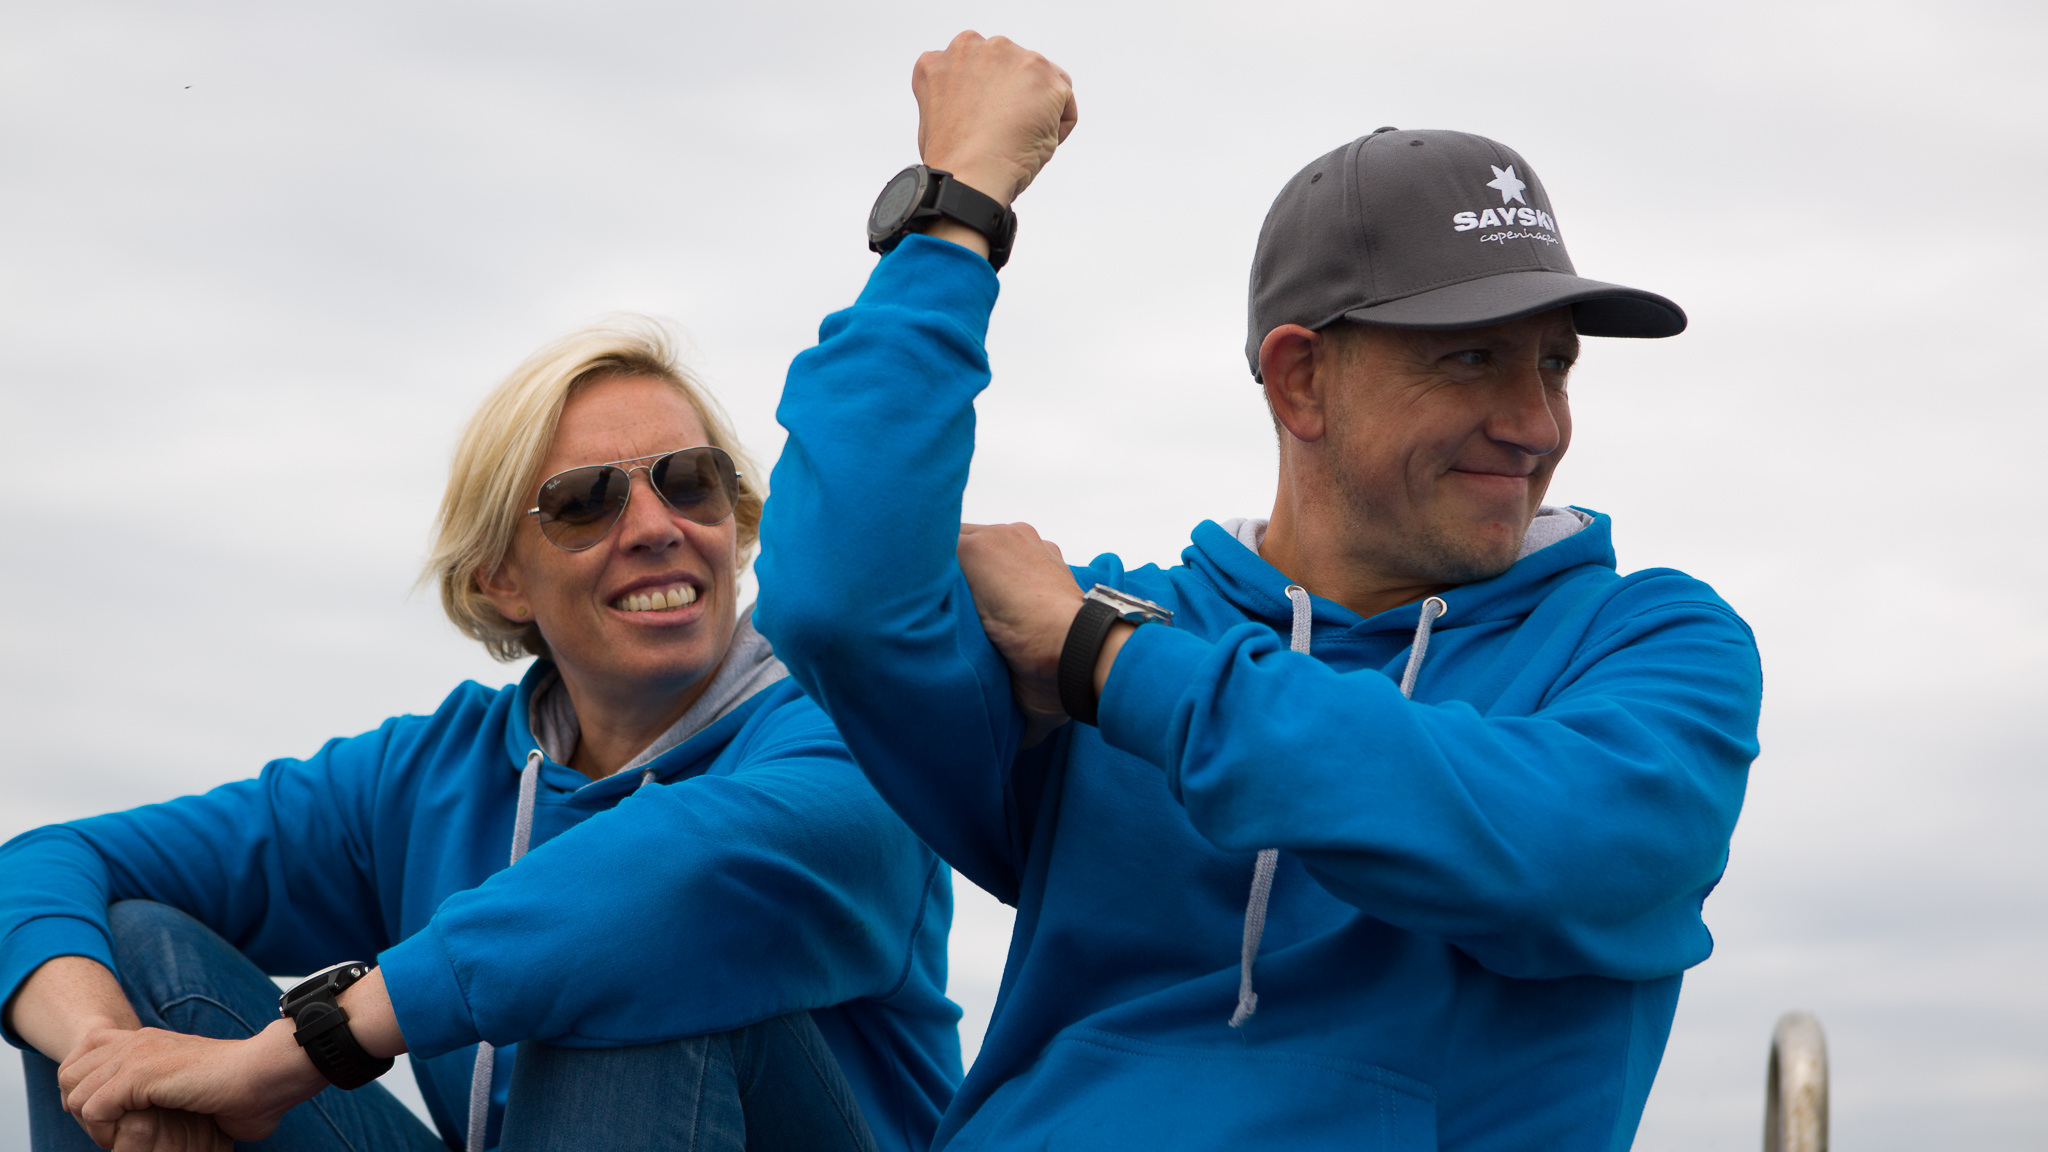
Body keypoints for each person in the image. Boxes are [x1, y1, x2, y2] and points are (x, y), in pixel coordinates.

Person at [754, 32, 1762, 1151]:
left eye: (1555, 364)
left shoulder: (1651, 642)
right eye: (1473, 358)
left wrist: (1111, 665)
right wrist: (958, 208)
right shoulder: (1097, 630)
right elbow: (832, 600)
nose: (1535, 423)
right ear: (1300, 381)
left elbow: (1566, 855)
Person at [1, 319, 960, 1152]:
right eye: (585, 501)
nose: (657, 526)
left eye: (690, 482)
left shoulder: (855, 728)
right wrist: (105, 1057)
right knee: (128, 949)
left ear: (734, 518)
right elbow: (43, 863)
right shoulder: (428, 775)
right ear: (500, 578)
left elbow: (671, 880)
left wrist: (301, 1050)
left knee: (630, 977)